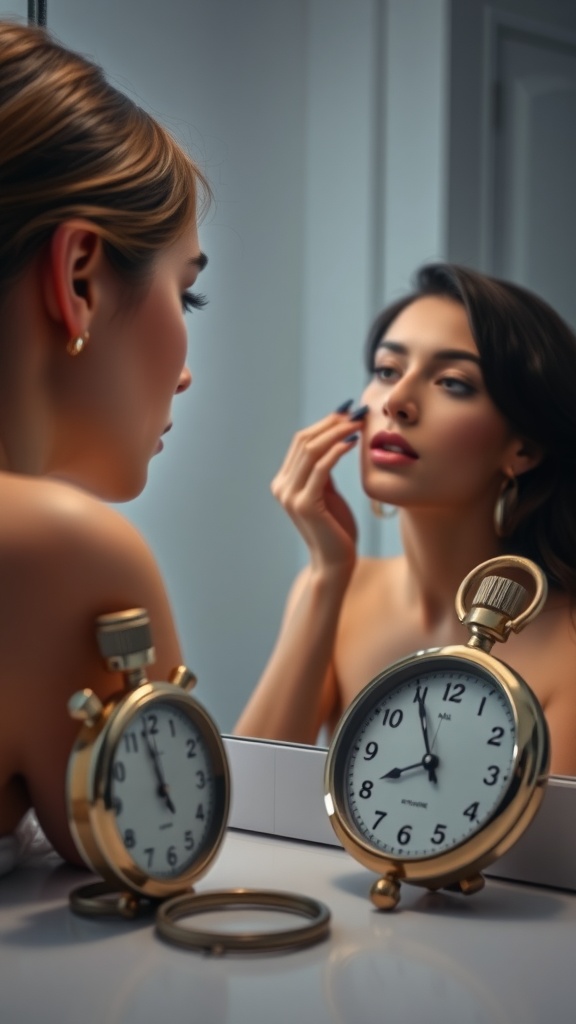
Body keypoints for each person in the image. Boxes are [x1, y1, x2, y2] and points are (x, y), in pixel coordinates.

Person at [0, 20, 210, 872]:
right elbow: (160, 857)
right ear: (80, 276)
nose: (187, 376)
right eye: (187, 295)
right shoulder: (62, 553)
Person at [235, 262, 576, 776]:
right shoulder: (340, 591)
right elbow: (250, 797)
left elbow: (538, 857)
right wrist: (327, 575)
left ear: (523, 447)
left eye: (452, 382)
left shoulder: (567, 640)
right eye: (387, 370)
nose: (396, 402)